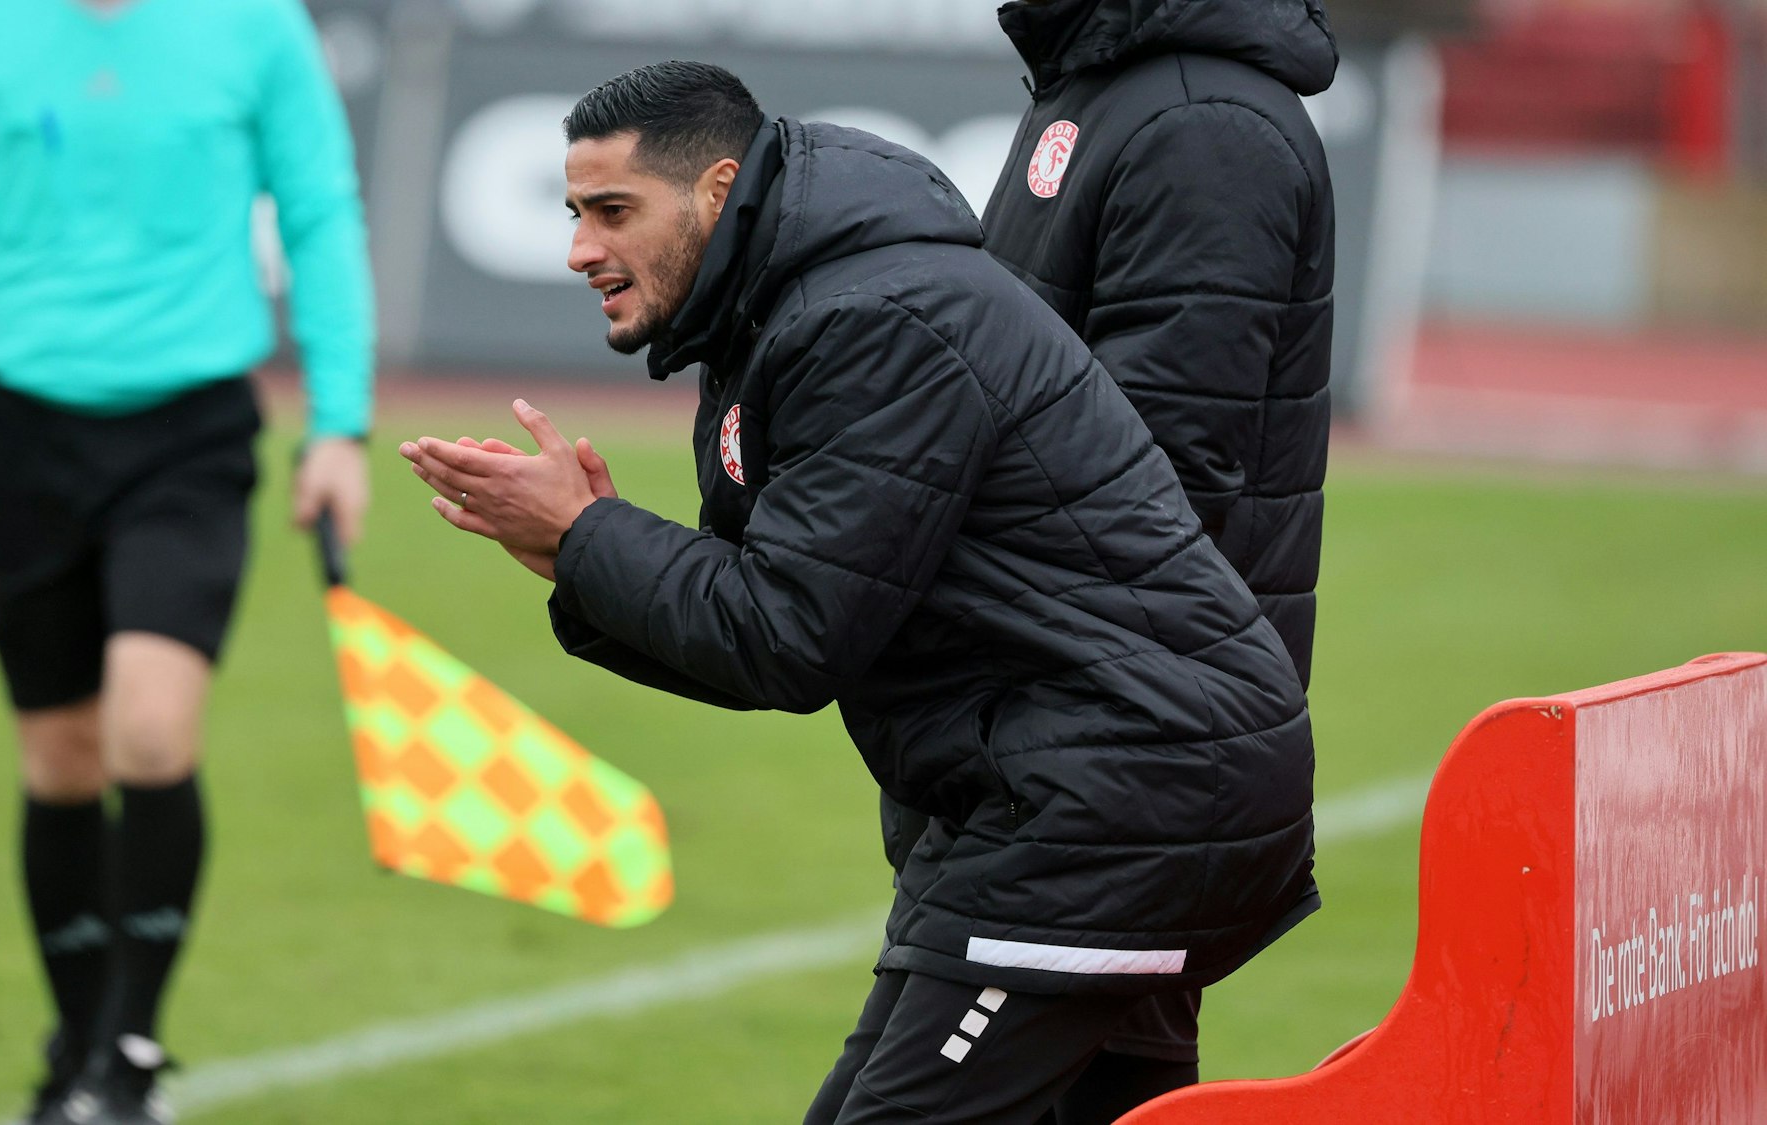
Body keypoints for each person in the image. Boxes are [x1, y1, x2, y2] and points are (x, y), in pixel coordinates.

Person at [398, 61, 1318, 1124]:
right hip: (1082, 788)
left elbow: (782, 636)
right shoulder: (788, 314)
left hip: (1118, 795)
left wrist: (589, 537)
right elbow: (763, 619)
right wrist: (580, 557)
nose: (578, 250)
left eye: (612, 211)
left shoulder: (870, 321)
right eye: (571, 213)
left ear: (715, 190)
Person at [0, 0, 374, 1118]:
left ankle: (131, 1052)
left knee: (149, 729)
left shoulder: (255, 26)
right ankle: (75, 1045)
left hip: (189, 434)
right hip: (27, 436)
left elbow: (321, 208)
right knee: (61, 763)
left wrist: (340, 423)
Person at [879, 3, 1342, 1118]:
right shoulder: (1109, 91)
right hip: (1077, 738)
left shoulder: (1201, 122)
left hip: (1106, 759)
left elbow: (1157, 477)